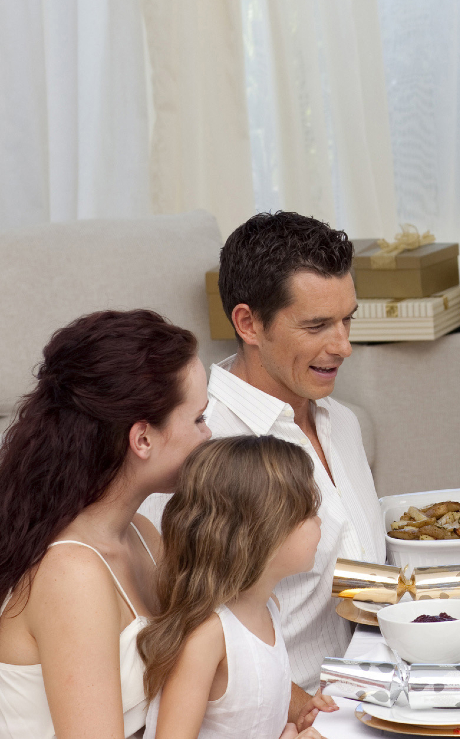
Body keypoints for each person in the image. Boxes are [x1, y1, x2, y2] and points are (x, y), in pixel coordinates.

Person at [140, 211, 386, 709]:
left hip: (376, 690)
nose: (344, 346)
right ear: (248, 323)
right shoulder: (197, 446)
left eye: (347, 319)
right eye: (317, 325)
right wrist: (288, 704)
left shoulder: (344, 422)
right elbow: (165, 630)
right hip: (283, 717)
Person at [0, 310, 210, 739]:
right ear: (143, 439)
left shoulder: (141, 536)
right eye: (198, 419)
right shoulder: (72, 575)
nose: (209, 435)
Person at [140, 436, 337, 739]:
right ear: (262, 532)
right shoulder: (207, 638)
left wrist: (296, 724)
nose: (319, 521)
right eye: (308, 511)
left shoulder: (268, 608)